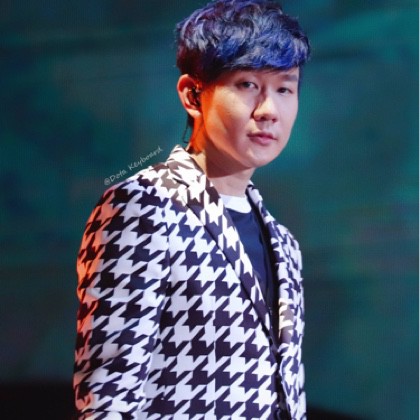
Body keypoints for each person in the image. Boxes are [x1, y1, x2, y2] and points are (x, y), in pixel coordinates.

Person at [73, 0, 311, 418]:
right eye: (247, 85)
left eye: (284, 89)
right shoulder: (145, 207)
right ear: (192, 94)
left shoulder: (284, 244)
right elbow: (110, 396)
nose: (269, 111)